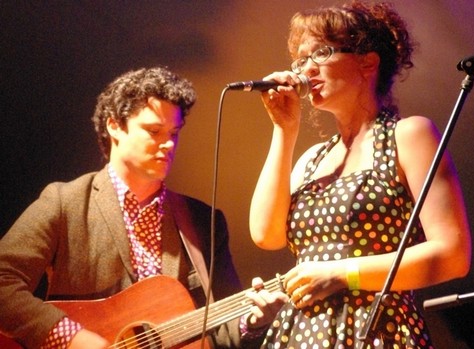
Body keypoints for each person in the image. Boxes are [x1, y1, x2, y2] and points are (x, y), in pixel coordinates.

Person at [0, 66, 284, 349]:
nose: (168, 144)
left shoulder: (202, 221)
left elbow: (222, 331)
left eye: (174, 133)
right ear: (114, 126)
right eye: (153, 131)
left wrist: (252, 321)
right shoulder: (66, 202)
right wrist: (71, 337)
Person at [249, 1, 471, 348]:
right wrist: (284, 129)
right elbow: (266, 234)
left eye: (320, 53)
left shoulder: (409, 136)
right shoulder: (312, 159)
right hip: (302, 334)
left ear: (368, 61)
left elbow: (452, 254)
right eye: (300, 60)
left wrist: (343, 274)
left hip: (378, 329)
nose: (305, 70)